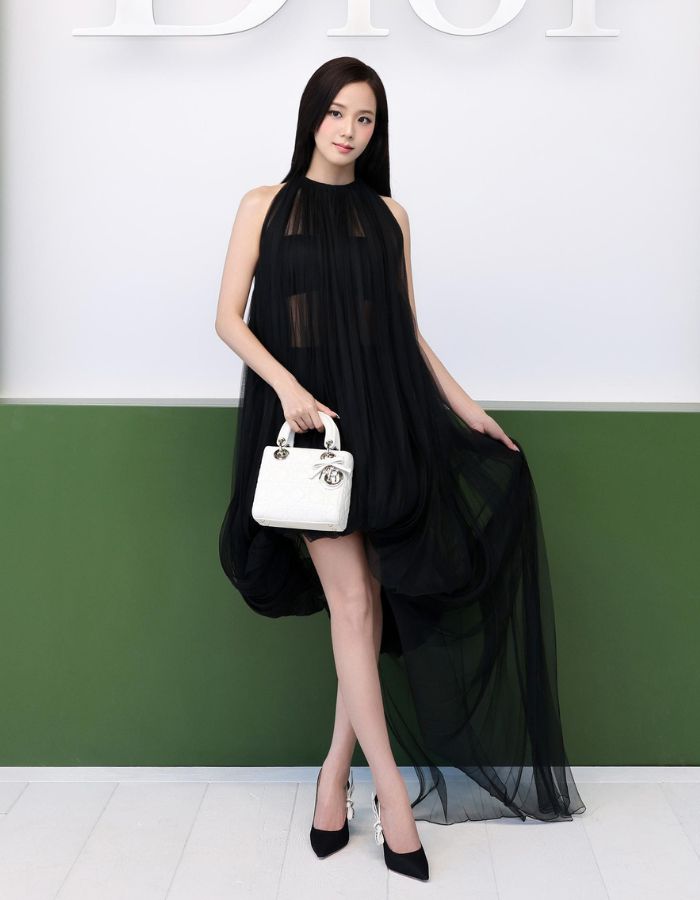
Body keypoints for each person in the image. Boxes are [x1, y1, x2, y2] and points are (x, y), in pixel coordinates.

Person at [215, 56, 586, 882]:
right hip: (310, 429)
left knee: (367, 606)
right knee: (353, 601)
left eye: (365, 118)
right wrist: (289, 388)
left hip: (385, 421)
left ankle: (331, 778)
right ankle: (391, 795)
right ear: (311, 115)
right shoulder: (262, 206)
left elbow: (406, 333)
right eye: (336, 112)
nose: (348, 130)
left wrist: (466, 408)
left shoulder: (389, 216)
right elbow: (228, 318)